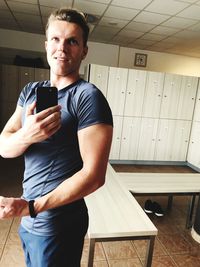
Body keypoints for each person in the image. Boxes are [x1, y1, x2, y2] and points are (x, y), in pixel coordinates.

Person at [0, 8, 113, 267]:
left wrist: (31, 207)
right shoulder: (32, 90)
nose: (62, 48)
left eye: (72, 41)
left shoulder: (87, 97)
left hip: (58, 224)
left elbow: (94, 176)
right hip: (29, 217)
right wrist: (27, 135)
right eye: (56, 39)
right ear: (46, 44)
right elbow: (4, 146)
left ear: (84, 50)